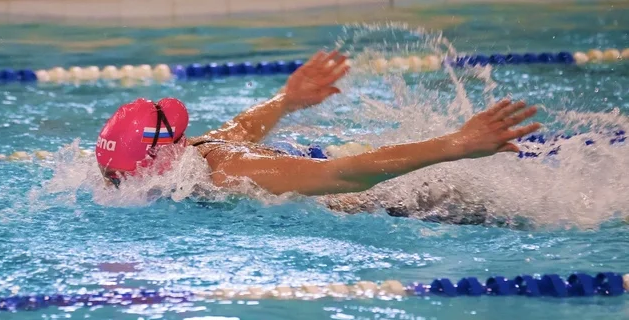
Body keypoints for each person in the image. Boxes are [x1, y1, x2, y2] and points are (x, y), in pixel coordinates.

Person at [95, 49, 541, 199]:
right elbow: (340, 173)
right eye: (178, 133)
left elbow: (239, 131)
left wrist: (287, 100)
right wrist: (456, 142)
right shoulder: (221, 170)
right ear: (167, 152)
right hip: (379, 195)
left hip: (388, 199)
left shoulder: (220, 169)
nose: (187, 137)